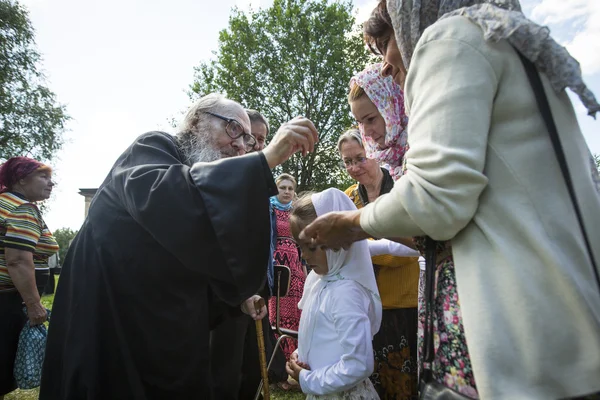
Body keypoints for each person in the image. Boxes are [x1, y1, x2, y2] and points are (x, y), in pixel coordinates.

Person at [300, 0, 600, 398]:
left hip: (520, 315)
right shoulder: (501, 41)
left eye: (386, 41)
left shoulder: (450, 38)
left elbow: (435, 200)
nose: (387, 65)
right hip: (561, 302)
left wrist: (352, 225)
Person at [39, 93, 318, 400]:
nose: (241, 146)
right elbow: (170, 205)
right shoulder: (152, 148)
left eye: (249, 141)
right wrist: (264, 160)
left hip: (166, 340)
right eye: (234, 130)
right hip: (112, 325)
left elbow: (197, 251)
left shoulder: (199, 178)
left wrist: (235, 300)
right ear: (197, 122)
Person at [209, 109, 286, 400]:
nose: (257, 146)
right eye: (252, 139)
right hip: (229, 294)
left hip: (258, 289)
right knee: (225, 374)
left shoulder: (262, 185)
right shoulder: (225, 184)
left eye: (263, 140)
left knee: (255, 369)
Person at [338, 128, 420, 399]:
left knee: (402, 385)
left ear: (373, 153)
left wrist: (365, 249)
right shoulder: (347, 198)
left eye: (360, 158)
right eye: (348, 161)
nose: (354, 167)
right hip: (362, 307)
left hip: (401, 304)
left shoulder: (401, 188)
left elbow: (413, 246)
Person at [285, 188, 382, 399]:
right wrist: (301, 355)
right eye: (300, 246)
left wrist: (308, 380)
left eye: (311, 247)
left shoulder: (346, 293)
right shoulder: (319, 282)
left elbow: (359, 364)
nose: (303, 256)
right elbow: (319, 332)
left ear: (338, 243)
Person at [0, 156, 59, 399]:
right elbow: (18, 261)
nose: (51, 183)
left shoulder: (4, 203)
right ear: (21, 179)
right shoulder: (22, 208)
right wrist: (35, 306)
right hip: (5, 302)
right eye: (43, 177)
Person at [267, 172, 305, 390]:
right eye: (283, 187)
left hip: (295, 266)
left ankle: (295, 369)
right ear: (276, 188)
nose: (287, 192)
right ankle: (276, 370)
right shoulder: (268, 208)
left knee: (295, 316)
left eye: (290, 188)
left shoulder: (296, 211)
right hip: (275, 264)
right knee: (276, 314)